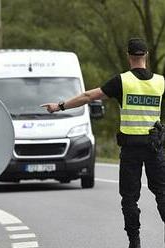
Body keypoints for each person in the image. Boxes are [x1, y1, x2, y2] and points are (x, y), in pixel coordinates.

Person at [41, 38, 165, 248]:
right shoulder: (160, 82)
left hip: (131, 149)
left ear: (128, 56)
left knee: (129, 199)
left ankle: (134, 243)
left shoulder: (122, 81)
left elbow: (89, 96)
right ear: (146, 56)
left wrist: (60, 106)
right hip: (155, 147)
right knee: (162, 193)